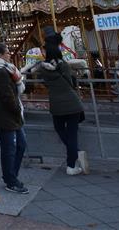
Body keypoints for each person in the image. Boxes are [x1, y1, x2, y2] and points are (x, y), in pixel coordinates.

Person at [0, 44, 28, 194]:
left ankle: (11, 175)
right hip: (5, 115)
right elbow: (7, 96)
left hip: (9, 114)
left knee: (20, 144)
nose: (10, 55)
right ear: (1, 55)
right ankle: (11, 179)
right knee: (10, 147)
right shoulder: (0, 72)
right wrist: (16, 109)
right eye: (7, 53)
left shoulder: (3, 69)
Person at [38, 44, 88, 175]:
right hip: (72, 103)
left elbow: (44, 82)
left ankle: (75, 153)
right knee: (72, 134)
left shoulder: (43, 69)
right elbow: (71, 82)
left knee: (60, 129)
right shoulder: (64, 65)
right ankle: (71, 165)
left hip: (56, 104)